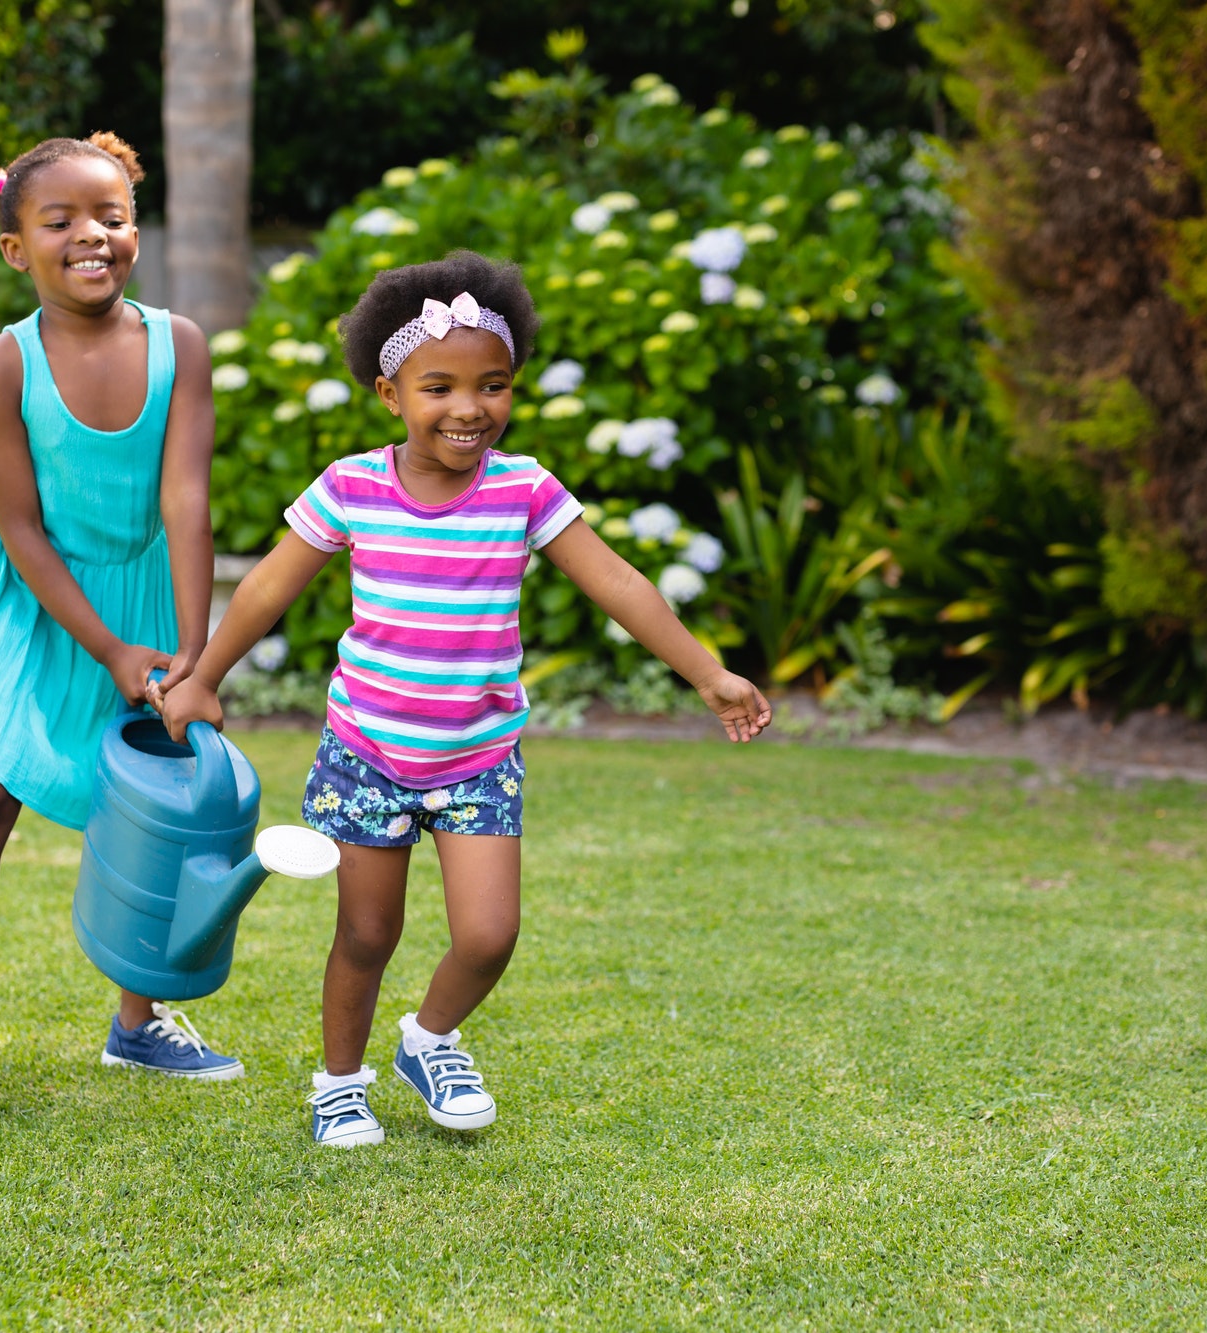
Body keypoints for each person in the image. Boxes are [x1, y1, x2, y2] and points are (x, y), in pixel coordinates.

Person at [155, 250, 772, 1147]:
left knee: (488, 936)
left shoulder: (522, 490)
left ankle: (430, 1036)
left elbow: (619, 582)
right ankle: (339, 1081)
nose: (469, 408)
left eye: (493, 385)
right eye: (438, 387)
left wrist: (708, 671)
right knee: (367, 934)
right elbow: (264, 592)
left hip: (480, 756)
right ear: (389, 394)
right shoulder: (354, 486)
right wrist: (205, 674)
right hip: (368, 750)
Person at [0, 133, 233, 1110]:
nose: (93, 236)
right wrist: (110, 649)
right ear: (15, 249)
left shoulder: (180, 346)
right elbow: (21, 528)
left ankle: (138, 1025)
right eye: (62, 221)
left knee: (151, 804)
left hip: (145, 593)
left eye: (113, 217)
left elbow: (185, 503)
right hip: (29, 597)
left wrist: (192, 653)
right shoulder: (0, 368)